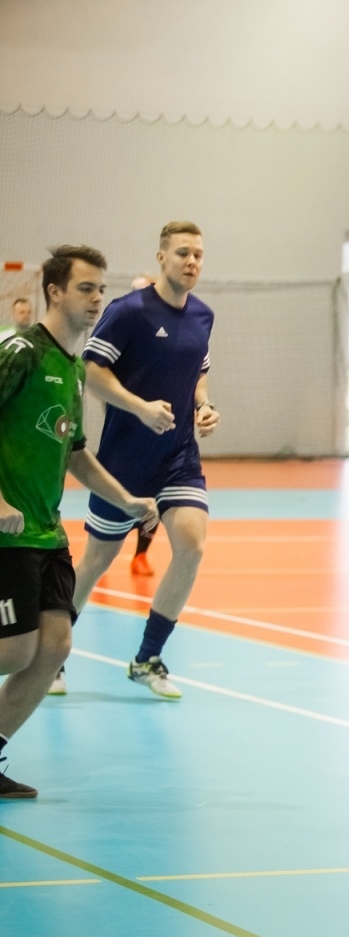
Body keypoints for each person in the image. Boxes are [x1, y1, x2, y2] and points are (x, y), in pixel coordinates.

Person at [0, 246, 157, 798]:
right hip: (5, 535)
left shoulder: (71, 366)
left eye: (101, 290)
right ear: (55, 292)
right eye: (87, 289)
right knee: (14, 650)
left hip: (46, 533)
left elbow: (74, 452)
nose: (97, 299)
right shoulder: (19, 352)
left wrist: (127, 499)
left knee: (55, 647)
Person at [58, 222, 220, 700]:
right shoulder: (128, 312)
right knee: (95, 562)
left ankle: (148, 657)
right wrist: (140, 407)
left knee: (191, 545)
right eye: (183, 253)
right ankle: (53, 655)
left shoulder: (203, 317)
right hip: (124, 462)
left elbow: (199, 375)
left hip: (178, 458)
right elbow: (91, 371)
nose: (192, 262)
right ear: (162, 257)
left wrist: (204, 407)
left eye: (199, 255)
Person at [124, 274, 160, 578]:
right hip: (126, 428)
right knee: (119, 493)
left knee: (154, 494)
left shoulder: (168, 330)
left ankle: (141, 555)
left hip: (158, 429)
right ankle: (105, 549)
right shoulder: (122, 328)